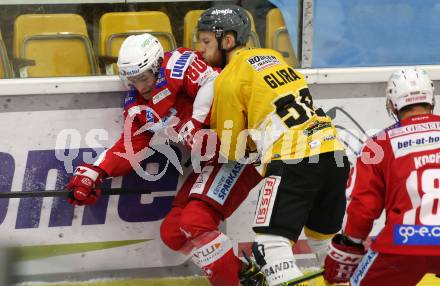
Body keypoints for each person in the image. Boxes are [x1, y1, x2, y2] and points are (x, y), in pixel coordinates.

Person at [65, 33, 265, 286]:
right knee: (173, 234)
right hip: (212, 161)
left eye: (144, 78)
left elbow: (214, 81)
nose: (140, 87)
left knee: (196, 221)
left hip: (241, 153)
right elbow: (132, 144)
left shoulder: (178, 64)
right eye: (132, 80)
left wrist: (196, 121)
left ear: (158, 65)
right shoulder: (137, 103)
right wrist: (95, 171)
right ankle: (242, 274)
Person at [197, 5, 349, 286]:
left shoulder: (228, 79)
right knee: (323, 242)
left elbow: (231, 148)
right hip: (334, 153)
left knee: (270, 247)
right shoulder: (274, 57)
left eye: (206, 41)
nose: (201, 49)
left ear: (227, 41)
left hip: (294, 159)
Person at [324, 67, 440, 286]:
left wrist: (351, 243)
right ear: (430, 100)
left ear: (393, 104)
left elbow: (363, 207)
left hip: (405, 242)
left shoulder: (378, 145)